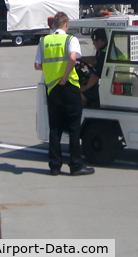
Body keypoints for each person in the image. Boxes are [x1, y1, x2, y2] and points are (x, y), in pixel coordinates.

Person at [34, 12, 94, 176]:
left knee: (55, 128)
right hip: (69, 87)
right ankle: (75, 165)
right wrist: (64, 77)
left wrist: (52, 71)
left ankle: (54, 166)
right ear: (66, 24)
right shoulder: (70, 39)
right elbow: (73, 58)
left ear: (54, 26)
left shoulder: (44, 41)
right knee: (74, 128)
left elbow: (37, 66)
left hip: (52, 89)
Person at [79, 28, 107, 108]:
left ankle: (79, 117)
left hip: (109, 85)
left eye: (94, 41)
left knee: (82, 95)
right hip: (110, 82)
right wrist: (78, 58)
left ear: (100, 41)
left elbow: (95, 77)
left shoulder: (103, 54)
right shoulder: (104, 49)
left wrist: (84, 88)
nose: (93, 43)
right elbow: (95, 60)